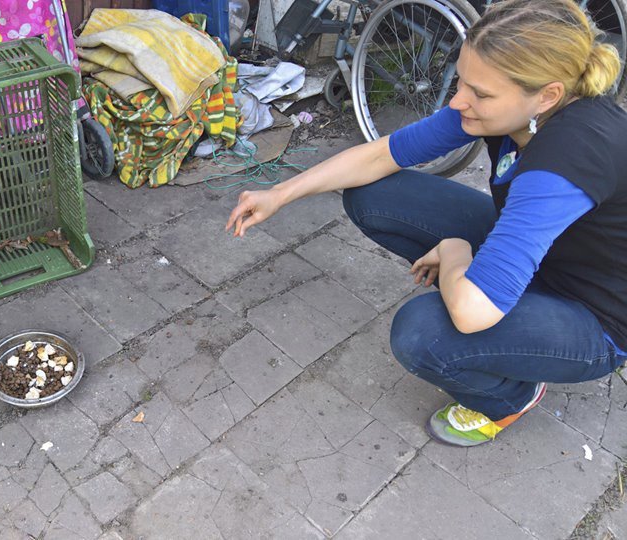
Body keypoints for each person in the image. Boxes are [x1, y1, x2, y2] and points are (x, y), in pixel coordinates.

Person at [225, 0, 627, 447]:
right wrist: (280, 193)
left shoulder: (565, 160)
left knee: (423, 334)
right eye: (462, 81)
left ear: (548, 94)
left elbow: (473, 315)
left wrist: (457, 252)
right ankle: (496, 297)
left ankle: (511, 395)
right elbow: (383, 154)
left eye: (481, 93)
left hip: (596, 315)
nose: (459, 101)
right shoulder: (513, 107)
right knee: (376, 194)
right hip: (546, 256)